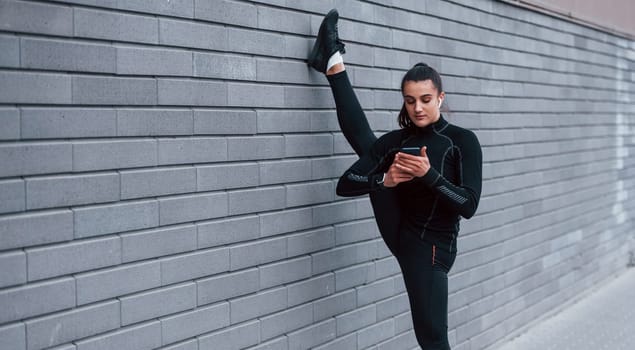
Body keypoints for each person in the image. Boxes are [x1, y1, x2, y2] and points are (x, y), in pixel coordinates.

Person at [307, 9, 483, 350]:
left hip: (430, 249)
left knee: (432, 338)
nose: (418, 108)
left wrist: (428, 174)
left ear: (441, 98)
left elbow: (469, 204)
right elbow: (346, 184)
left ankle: (332, 63)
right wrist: (384, 181)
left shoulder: (462, 141)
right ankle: (332, 63)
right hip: (399, 227)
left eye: (426, 100)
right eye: (410, 100)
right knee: (369, 146)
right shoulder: (397, 142)